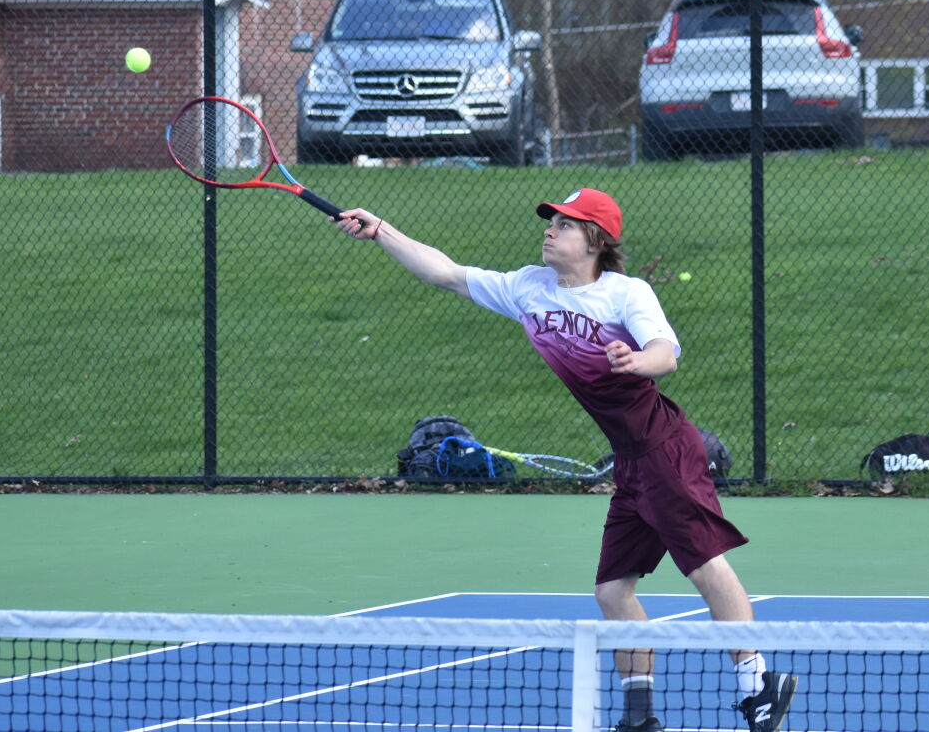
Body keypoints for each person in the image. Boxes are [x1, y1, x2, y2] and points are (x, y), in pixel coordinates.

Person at [331, 188, 797, 732]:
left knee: (704, 566)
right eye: (551, 220)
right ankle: (641, 715)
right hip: (630, 461)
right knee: (612, 591)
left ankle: (758, 685)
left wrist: (634, 361)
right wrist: (381, 229)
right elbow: (448, 274)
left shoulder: (627, 294)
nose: (550, 228)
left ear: (595, 240)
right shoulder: (529, 288)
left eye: (566, 224)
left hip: (665, 450)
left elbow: (666, 354)